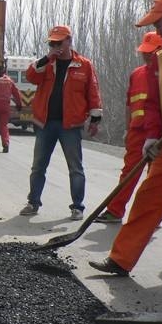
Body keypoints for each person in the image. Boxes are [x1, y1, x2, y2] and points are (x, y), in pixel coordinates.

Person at [89, 0, 162, 294]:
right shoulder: (161, 58)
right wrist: (152, 136)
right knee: (146, 200)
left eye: (159, 21)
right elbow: (153, 102)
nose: (158, 29)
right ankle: (120, 260)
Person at [19, 25, 102, 221]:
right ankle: (33, 203)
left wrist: (95, 118)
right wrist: (47, 57)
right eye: (52, 43)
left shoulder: (84, 65)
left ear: (69, 41)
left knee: (75, 168)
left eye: (59, 42)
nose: (56, 46)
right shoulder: (46, 64)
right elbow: (30, 76)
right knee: (38, 166)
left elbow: (93, 91)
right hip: (45, 124)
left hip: (70, 126)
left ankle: (77, 207)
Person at [95, 31, 162, 224]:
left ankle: (152, 217)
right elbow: (129, 104)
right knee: (129, 173)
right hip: (137, 132)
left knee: (156, 177)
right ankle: (115, 211)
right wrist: (127, 129)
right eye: (144, 51)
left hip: (161, 132)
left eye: (150, 52)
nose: (145, 55)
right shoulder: (137, 74)